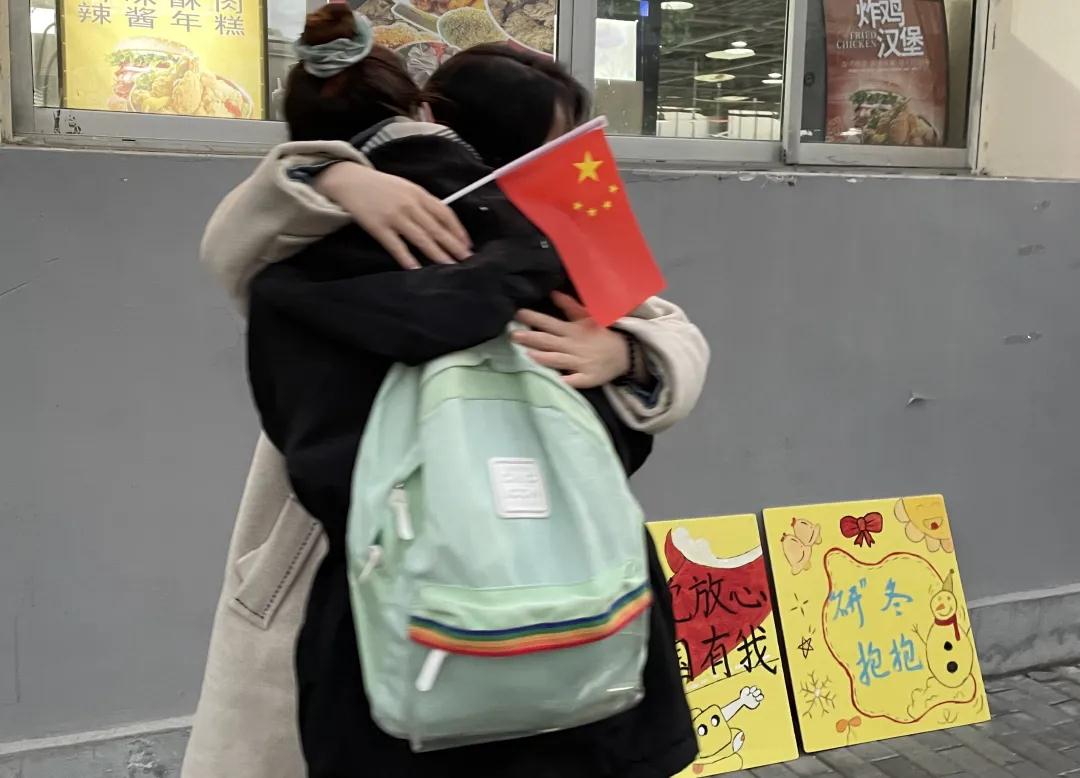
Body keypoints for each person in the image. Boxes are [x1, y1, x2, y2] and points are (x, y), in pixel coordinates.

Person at [184, 12, 709, 778]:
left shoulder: (320, 261)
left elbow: (673, 333)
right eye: (553, 146)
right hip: (530, 597)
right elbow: (232, 243)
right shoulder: (374, 230)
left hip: (385, 601)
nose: (568, 168)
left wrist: (627, 348)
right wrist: (332, 175)